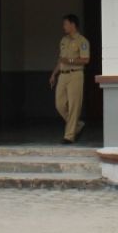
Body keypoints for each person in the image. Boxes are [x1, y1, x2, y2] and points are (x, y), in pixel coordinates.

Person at [48, 13, 90, 144]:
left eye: (65, 24)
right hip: (63, 75)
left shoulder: (82, 41)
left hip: (75, 75)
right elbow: (61, 60)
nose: (63, 26)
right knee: (59, 104)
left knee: (73, 106)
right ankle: (78, 125)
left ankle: (69, 136)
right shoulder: (63, 40)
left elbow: (85, 59)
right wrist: (54, 74)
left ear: (73, 25)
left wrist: (69, 60)